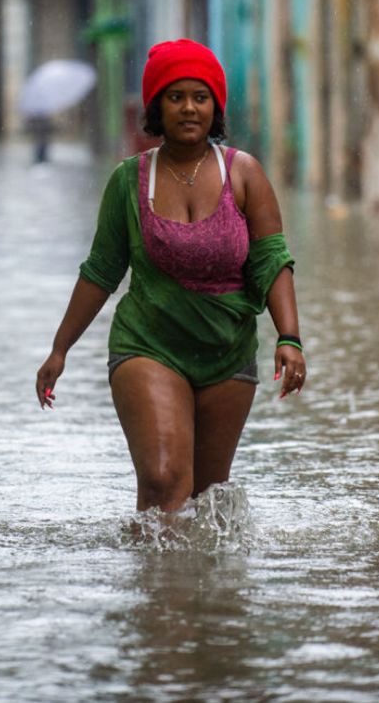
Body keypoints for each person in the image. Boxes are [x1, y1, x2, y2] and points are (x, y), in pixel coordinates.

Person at [35, 39, 305, 513]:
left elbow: (271, 260)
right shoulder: (128, 180)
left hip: (227, 350)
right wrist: (60, 348)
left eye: (200, 97)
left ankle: (196, 588)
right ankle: (156, 585)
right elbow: (101, 271)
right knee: (163, 481)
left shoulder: (243, 174)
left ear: (214, 107)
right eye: (175, 96)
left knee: (205, 500)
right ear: (157, 105)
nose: (188, 108)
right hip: (148, 345)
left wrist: (290, 337)